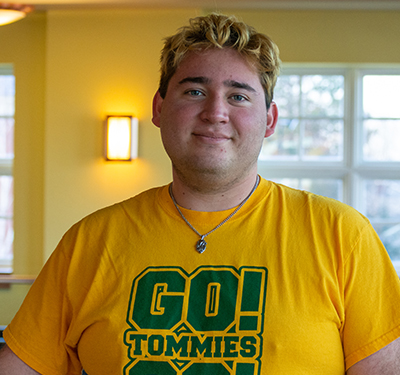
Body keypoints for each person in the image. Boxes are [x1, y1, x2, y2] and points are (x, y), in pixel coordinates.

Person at [1, 13, 400, 375]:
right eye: (194, 92)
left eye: (239, 96)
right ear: (158, 108)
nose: (215, 112)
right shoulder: (89, 242)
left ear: (270, 120)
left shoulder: (341, 235)